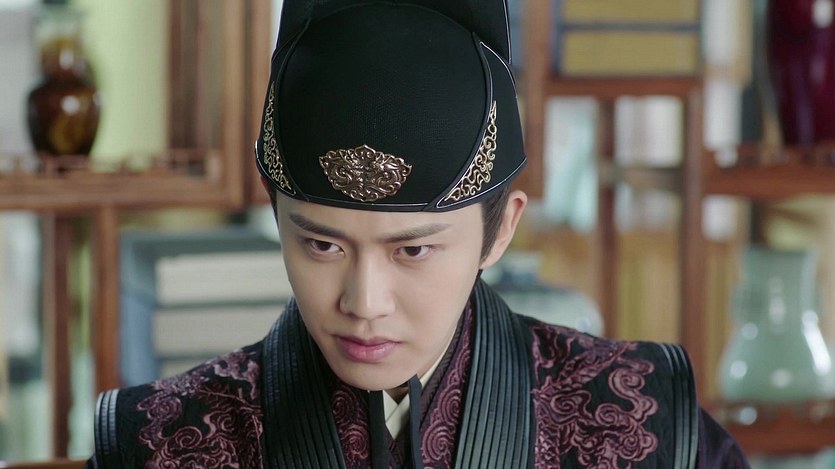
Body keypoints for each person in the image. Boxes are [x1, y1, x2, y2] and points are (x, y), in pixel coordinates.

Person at [88, 0, 750, 467]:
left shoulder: (652, 425)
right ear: (276, 216)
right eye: (322, 244)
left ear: (501, 229)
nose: (364, 302)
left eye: (412, 249)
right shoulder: (156, 442)